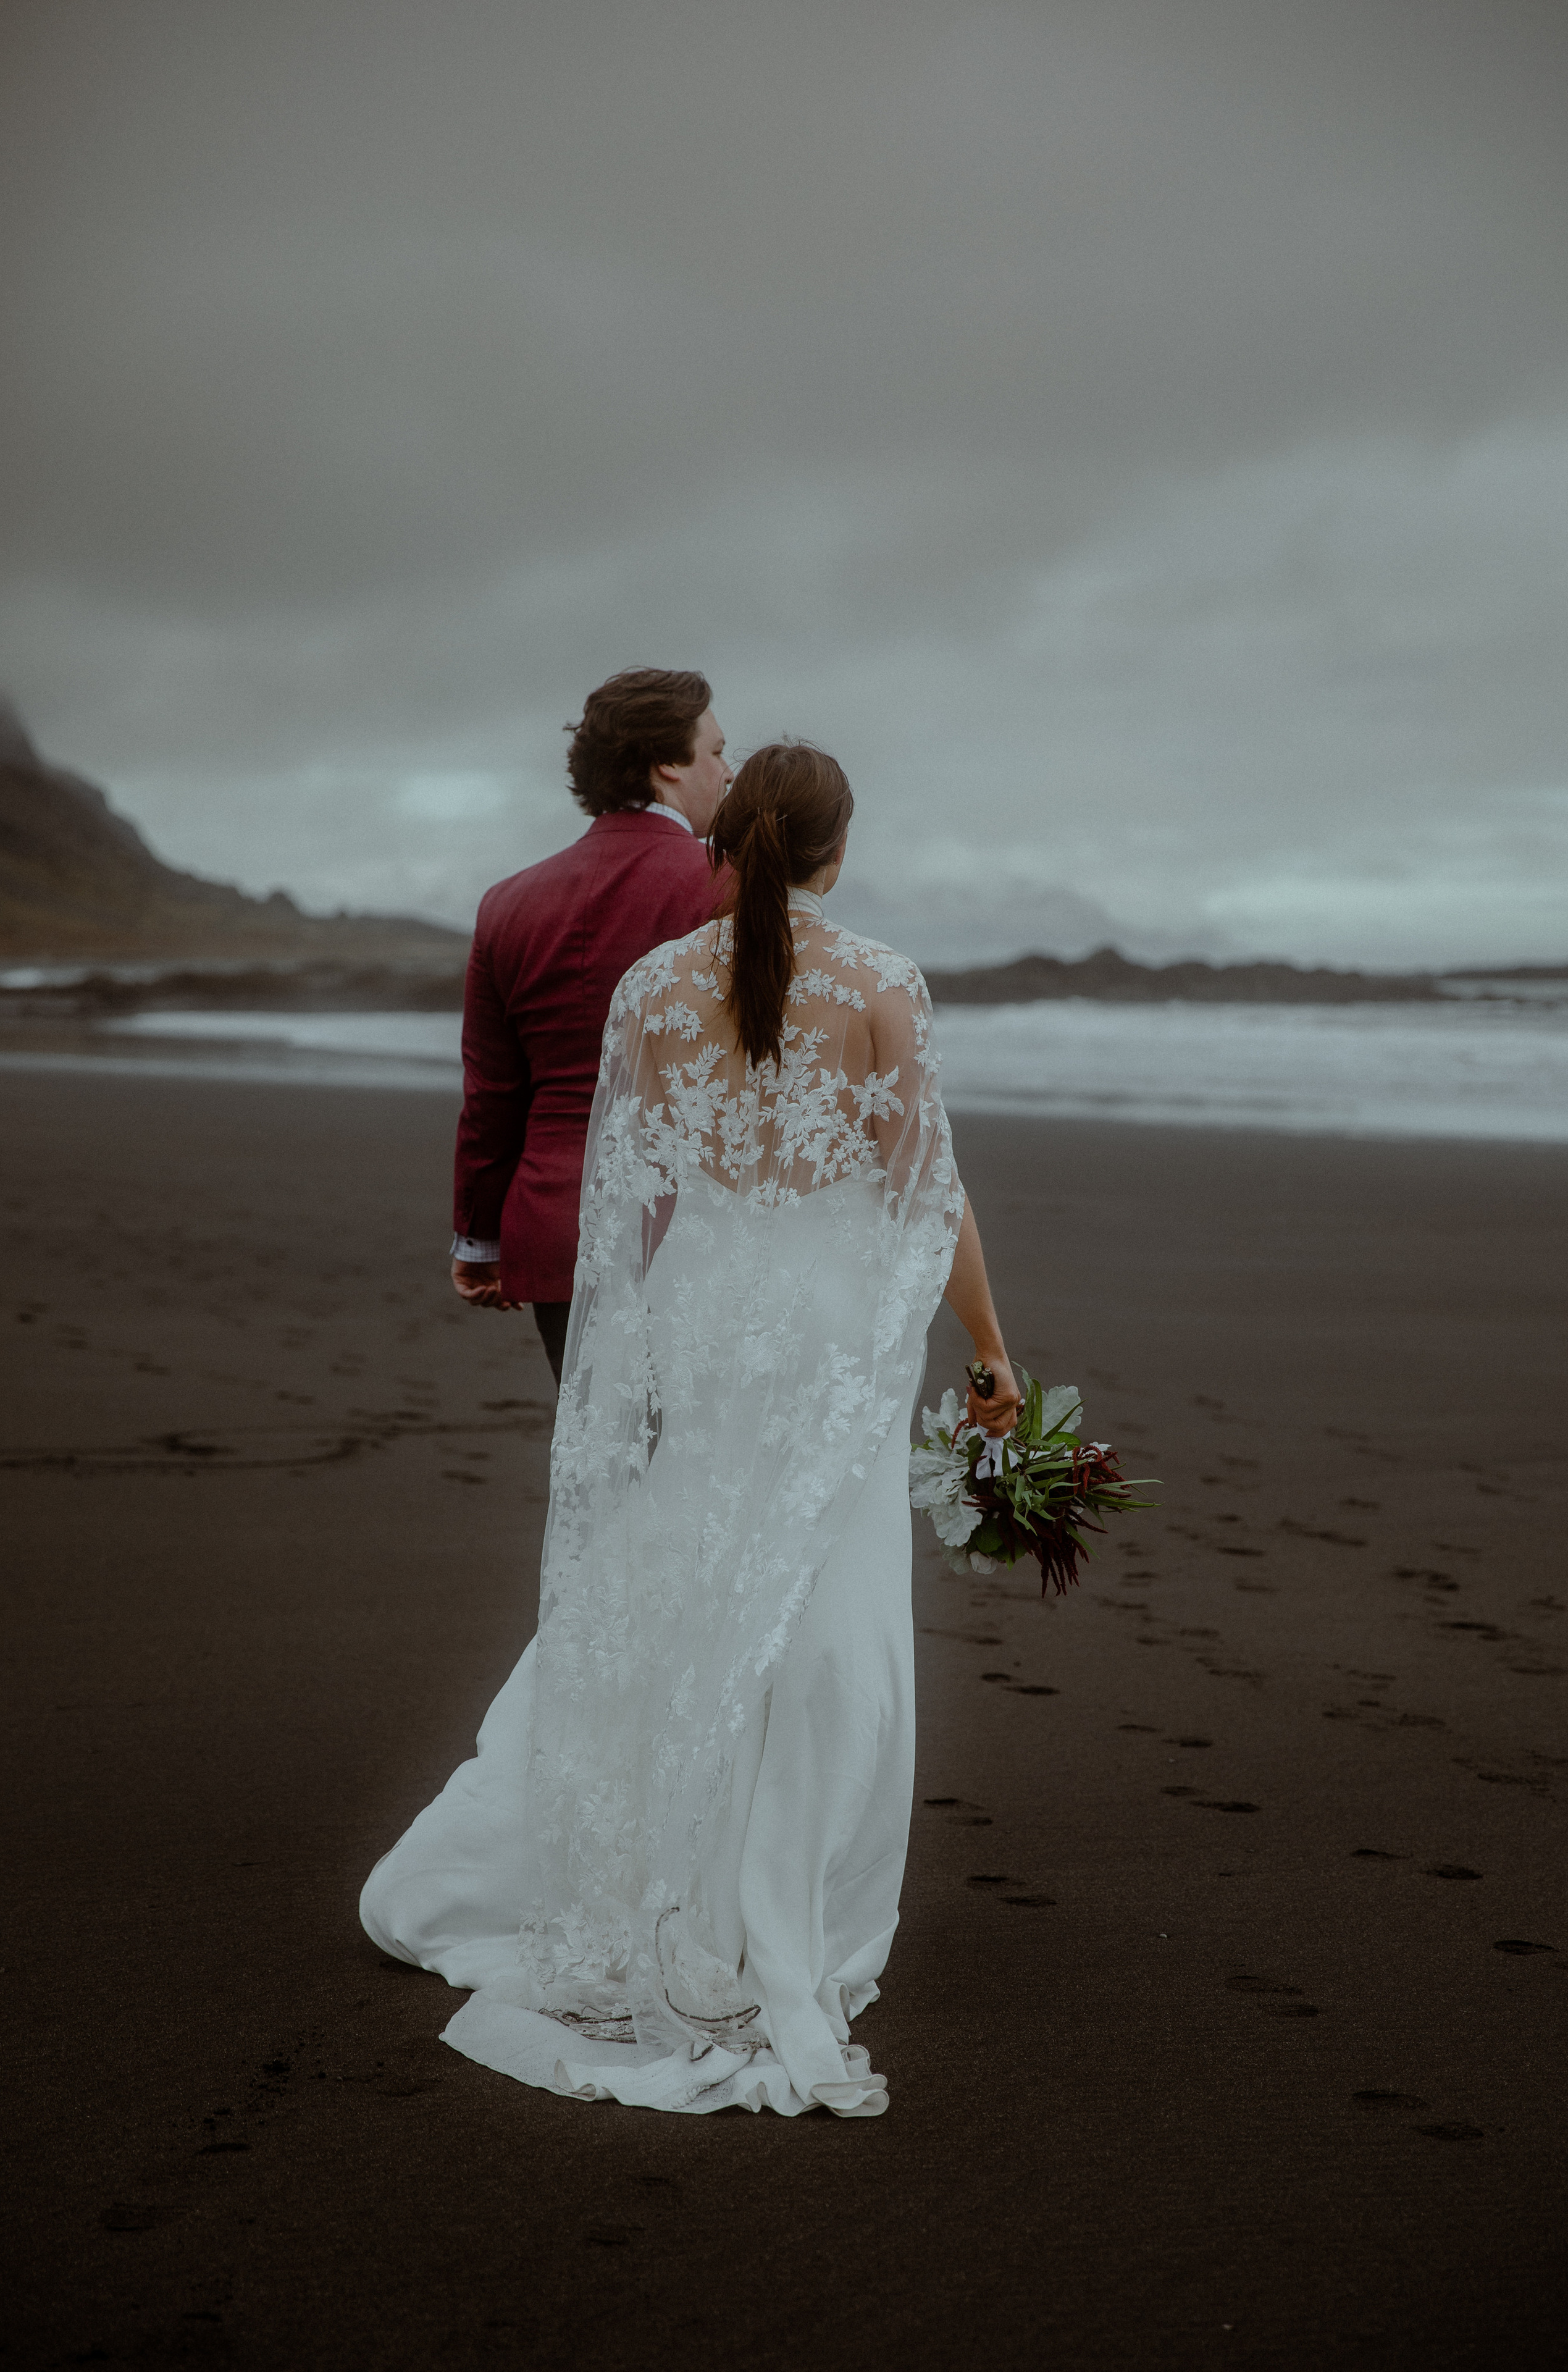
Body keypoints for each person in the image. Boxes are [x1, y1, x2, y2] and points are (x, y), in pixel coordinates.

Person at [361, 741, 1021, 2118]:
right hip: (833, 1330)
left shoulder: (651, 990)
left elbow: (627, 1212)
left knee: (691, 1570)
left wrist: (657, 1339)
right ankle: (780, 1902)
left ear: (730, 845)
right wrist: (990, 1349)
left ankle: (640, 1862)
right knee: (824, 1614)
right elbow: (926, 1195)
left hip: (707, 1321)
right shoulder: (883, 984)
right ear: (836, 852)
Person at [450, 668, 732, 1382]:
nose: (727, 775)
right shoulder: (725, 884)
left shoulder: (506, 903)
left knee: (605, 1473)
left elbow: (492, 1092)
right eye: (717, 754)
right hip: (697, 1227)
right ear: (669, 764)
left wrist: (479, 1239)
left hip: (555, 1230)